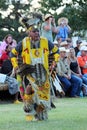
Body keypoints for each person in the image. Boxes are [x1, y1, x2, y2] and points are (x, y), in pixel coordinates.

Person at [10, 16, 59, 121]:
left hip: (43, 71)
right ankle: (29, 109)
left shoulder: (45, 41)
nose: (37, 33)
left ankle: (40, 114)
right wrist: (16, 66)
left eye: (38, 31)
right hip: (29, 71)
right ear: (29, 32)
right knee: (29, 90)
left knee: (43, 92)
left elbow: (56, 51)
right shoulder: (23, 42)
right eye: (34, 31)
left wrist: (54, 63)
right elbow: (12, 54)